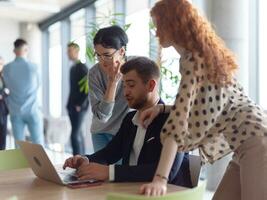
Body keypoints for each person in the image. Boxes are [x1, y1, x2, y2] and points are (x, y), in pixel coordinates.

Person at [139, 0, 267, 199]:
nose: (156, 33)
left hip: (257, 141)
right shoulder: (201, 57)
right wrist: (162, 109)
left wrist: (160, 179)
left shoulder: (195, 61)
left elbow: (178, 126)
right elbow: (197, 107)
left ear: (174, 24)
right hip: (244, 143)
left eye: (159, 26)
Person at [63, 57, 191, 187]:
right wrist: (86, 160)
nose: (125, 92)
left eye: (131, 85)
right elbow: (111, 152)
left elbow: (168, 172)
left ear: (151, 85)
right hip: (130, 191)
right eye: (123, 86)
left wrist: (110, 172)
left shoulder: (173, 120)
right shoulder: (130, 119)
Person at [88, 25, 130, 152]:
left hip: (127, 133)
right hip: (101, 132)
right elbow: (102, 116)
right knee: (101, 171)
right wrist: (113, 82)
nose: (102, 61)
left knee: (120, 171)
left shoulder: (136, 68)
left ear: (121, 51)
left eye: (107, 55)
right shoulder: (94, 73)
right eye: (98, 55)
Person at [3, 39, 44, 146]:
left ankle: (20, 163)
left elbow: (6, 86)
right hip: (33, 110)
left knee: (19, 146)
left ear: (14, 50)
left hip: (15, 111)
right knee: (38, 144)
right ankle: (42, 164)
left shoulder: (6, 68)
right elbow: (38, 85)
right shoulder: (34, 67)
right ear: (26, 49)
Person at [66, 42, 89, 155]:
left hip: (79, 107)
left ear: (77, 51)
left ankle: (76, 161)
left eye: (70, 51)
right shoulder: (72, 68)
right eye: (67, 51)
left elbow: (87, 89)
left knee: (74, 135)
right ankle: (82, 160)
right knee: (78, 133)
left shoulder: (82, 68)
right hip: (72, 106)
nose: (68, 53)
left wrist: (80, 104)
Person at [0, 56, 9, 150]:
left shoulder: (4, 77)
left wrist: (3, 94)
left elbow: (7, 91)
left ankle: (2, 161)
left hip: (3, 110)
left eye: (2, 64)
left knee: (2, 136)